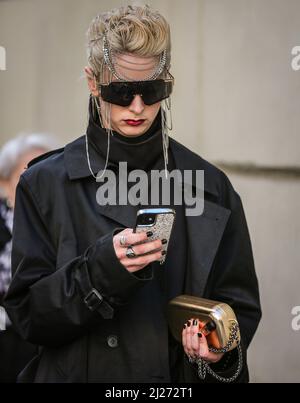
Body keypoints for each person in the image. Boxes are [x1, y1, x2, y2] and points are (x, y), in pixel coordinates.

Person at [4, 5, 261, 383]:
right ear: (93, 82)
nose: (138, 107)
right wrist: (101, 270)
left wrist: (219, 351)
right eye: (122, 92)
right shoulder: (45, 183)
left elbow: (239, 312)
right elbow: (28, 317)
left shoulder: (210, 188)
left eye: (151, 90)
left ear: (167, 82)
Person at [0, 134, 57, 382]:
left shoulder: (59, 225)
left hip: (42, 334)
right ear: (3, 182)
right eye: (27, 173)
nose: (36, 183)